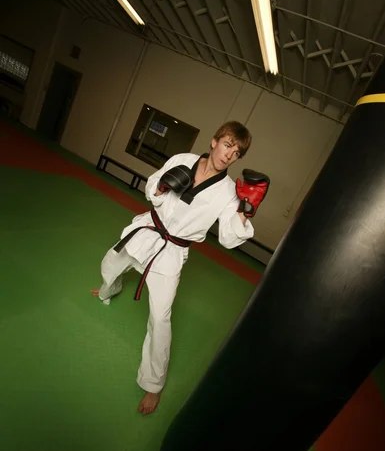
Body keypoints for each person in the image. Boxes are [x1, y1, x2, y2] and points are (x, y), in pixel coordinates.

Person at [91, 121, 269, 415]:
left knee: (160, 318)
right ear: (214, 141)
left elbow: (228, 238)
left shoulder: (228, 193)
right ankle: (108, 289)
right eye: (227, 145)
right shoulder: (182, 160)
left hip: (173, 251)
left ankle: (153, 384)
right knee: (111, 263)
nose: (229, 155)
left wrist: (245, 211)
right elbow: (152, 188)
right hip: (149, 228)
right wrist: (160, 188)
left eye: (237, 153)